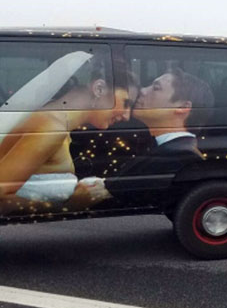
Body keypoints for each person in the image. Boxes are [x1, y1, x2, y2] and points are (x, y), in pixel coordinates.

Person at [0, 54, 137, 208]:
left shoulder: (58, 125)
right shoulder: (51, 129)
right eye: (126, 103)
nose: (127, 116)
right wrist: (72, 205)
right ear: (99, 88)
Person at [88, 69, 215, 204]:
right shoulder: (164, 147)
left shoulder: (180, 156)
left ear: (183, 107)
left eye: (156, 88)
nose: (142, 90)